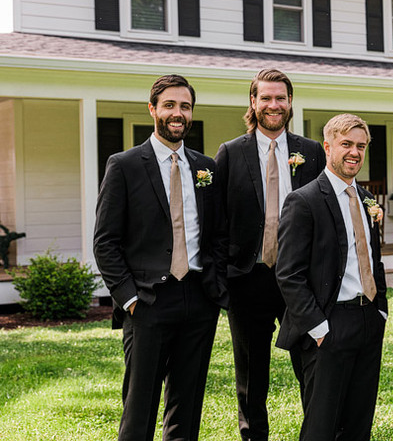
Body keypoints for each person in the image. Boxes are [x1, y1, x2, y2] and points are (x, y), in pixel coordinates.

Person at [94, 74, 228, 440]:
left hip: (198, 300)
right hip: (148, 302)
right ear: (153, 109)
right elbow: (105, 241)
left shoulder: (206, 168)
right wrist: (131, 299)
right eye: (169, 105)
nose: (177, 113)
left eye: (185, 106)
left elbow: (217, 234)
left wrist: (213, 290)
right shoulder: (124, 165)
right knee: (140, 410)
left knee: (187, 408)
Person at [214, 69, 325, 441]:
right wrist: (223, 282)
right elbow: (219, 220)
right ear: (253, 103)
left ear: (290, 102)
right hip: (248, 278)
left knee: (312, 366)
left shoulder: (311, 152)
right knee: (250, 375)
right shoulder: (230, 153)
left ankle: (317, 433)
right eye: (266, 98)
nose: (273, 105)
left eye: (280, 98)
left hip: (299, 280)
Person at [275, 114, 388, 441]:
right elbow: (288, 274)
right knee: (321, 427)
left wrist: (379, 309)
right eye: (347, 144)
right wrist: (320, 329)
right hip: (329, 325)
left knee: (358, 424)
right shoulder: (304, 200)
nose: (355, 152)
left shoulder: (367, 201)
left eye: (361, 146)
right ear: (328, 147)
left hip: (368, 321)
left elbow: (374, 261)